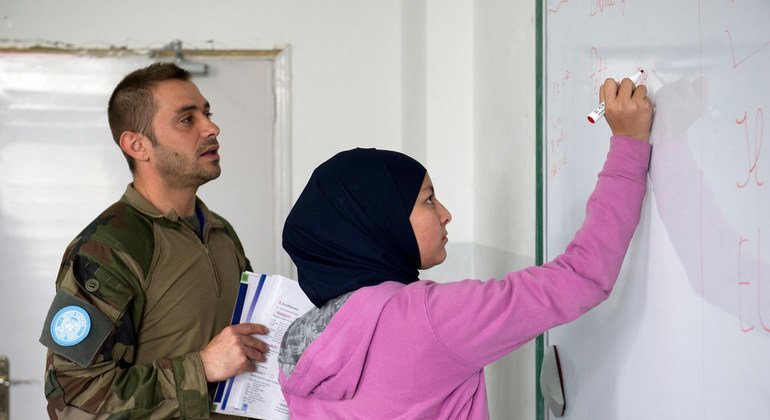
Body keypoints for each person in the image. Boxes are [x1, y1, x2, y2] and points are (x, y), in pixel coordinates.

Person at [277, 76, 654, 419]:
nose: (445, 214)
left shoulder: (298, 344)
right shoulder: (427, 319)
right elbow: (583, 276)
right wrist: (629, 145)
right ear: (381, 222)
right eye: (427, 200)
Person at [39, 63, 268, 419]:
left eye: (206, 113)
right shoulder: (108, 248)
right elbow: (73, 401)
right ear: (137, 145)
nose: (212, 127)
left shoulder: (220, 232)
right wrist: (201, 368)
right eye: (186, 119)